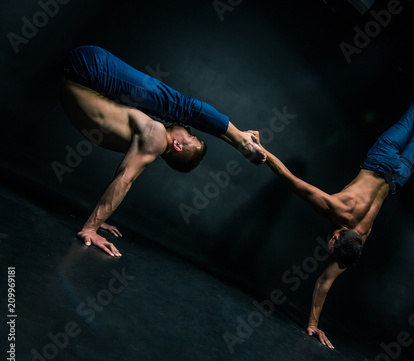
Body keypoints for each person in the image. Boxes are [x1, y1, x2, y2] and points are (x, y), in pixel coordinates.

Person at [258, 71, 414, 348]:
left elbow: (325, 280)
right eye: (330, 246)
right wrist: (262, 151)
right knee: (411, 120)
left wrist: (314, 325)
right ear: (337, 237)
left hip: (398, 177)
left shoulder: (362, 237)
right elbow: (292, 181)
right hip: (382, 161)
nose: (328, 246)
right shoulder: (334, 209)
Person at [60, 45, 266, 256]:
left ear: (177, 146)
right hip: (83, 76)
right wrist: (100, 218)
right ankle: (239, 140)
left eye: (190, 136)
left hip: (87, 67)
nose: (188, 129)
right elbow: (123, 176)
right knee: (177, 111)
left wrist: (91, 227)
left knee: (180, 106)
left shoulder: (156, 135)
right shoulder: (144, 145)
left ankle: (241, 139)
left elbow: (124, 178)